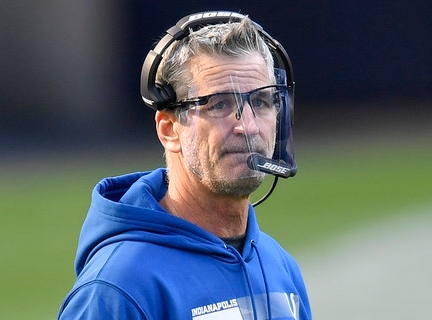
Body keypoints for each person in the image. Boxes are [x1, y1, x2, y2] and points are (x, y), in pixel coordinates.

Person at [58, 11, 311, 320]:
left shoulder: (281, 268)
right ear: (168, 129)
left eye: (260, 102)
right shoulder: (117, 289)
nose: (247, 127)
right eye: (219, 104)